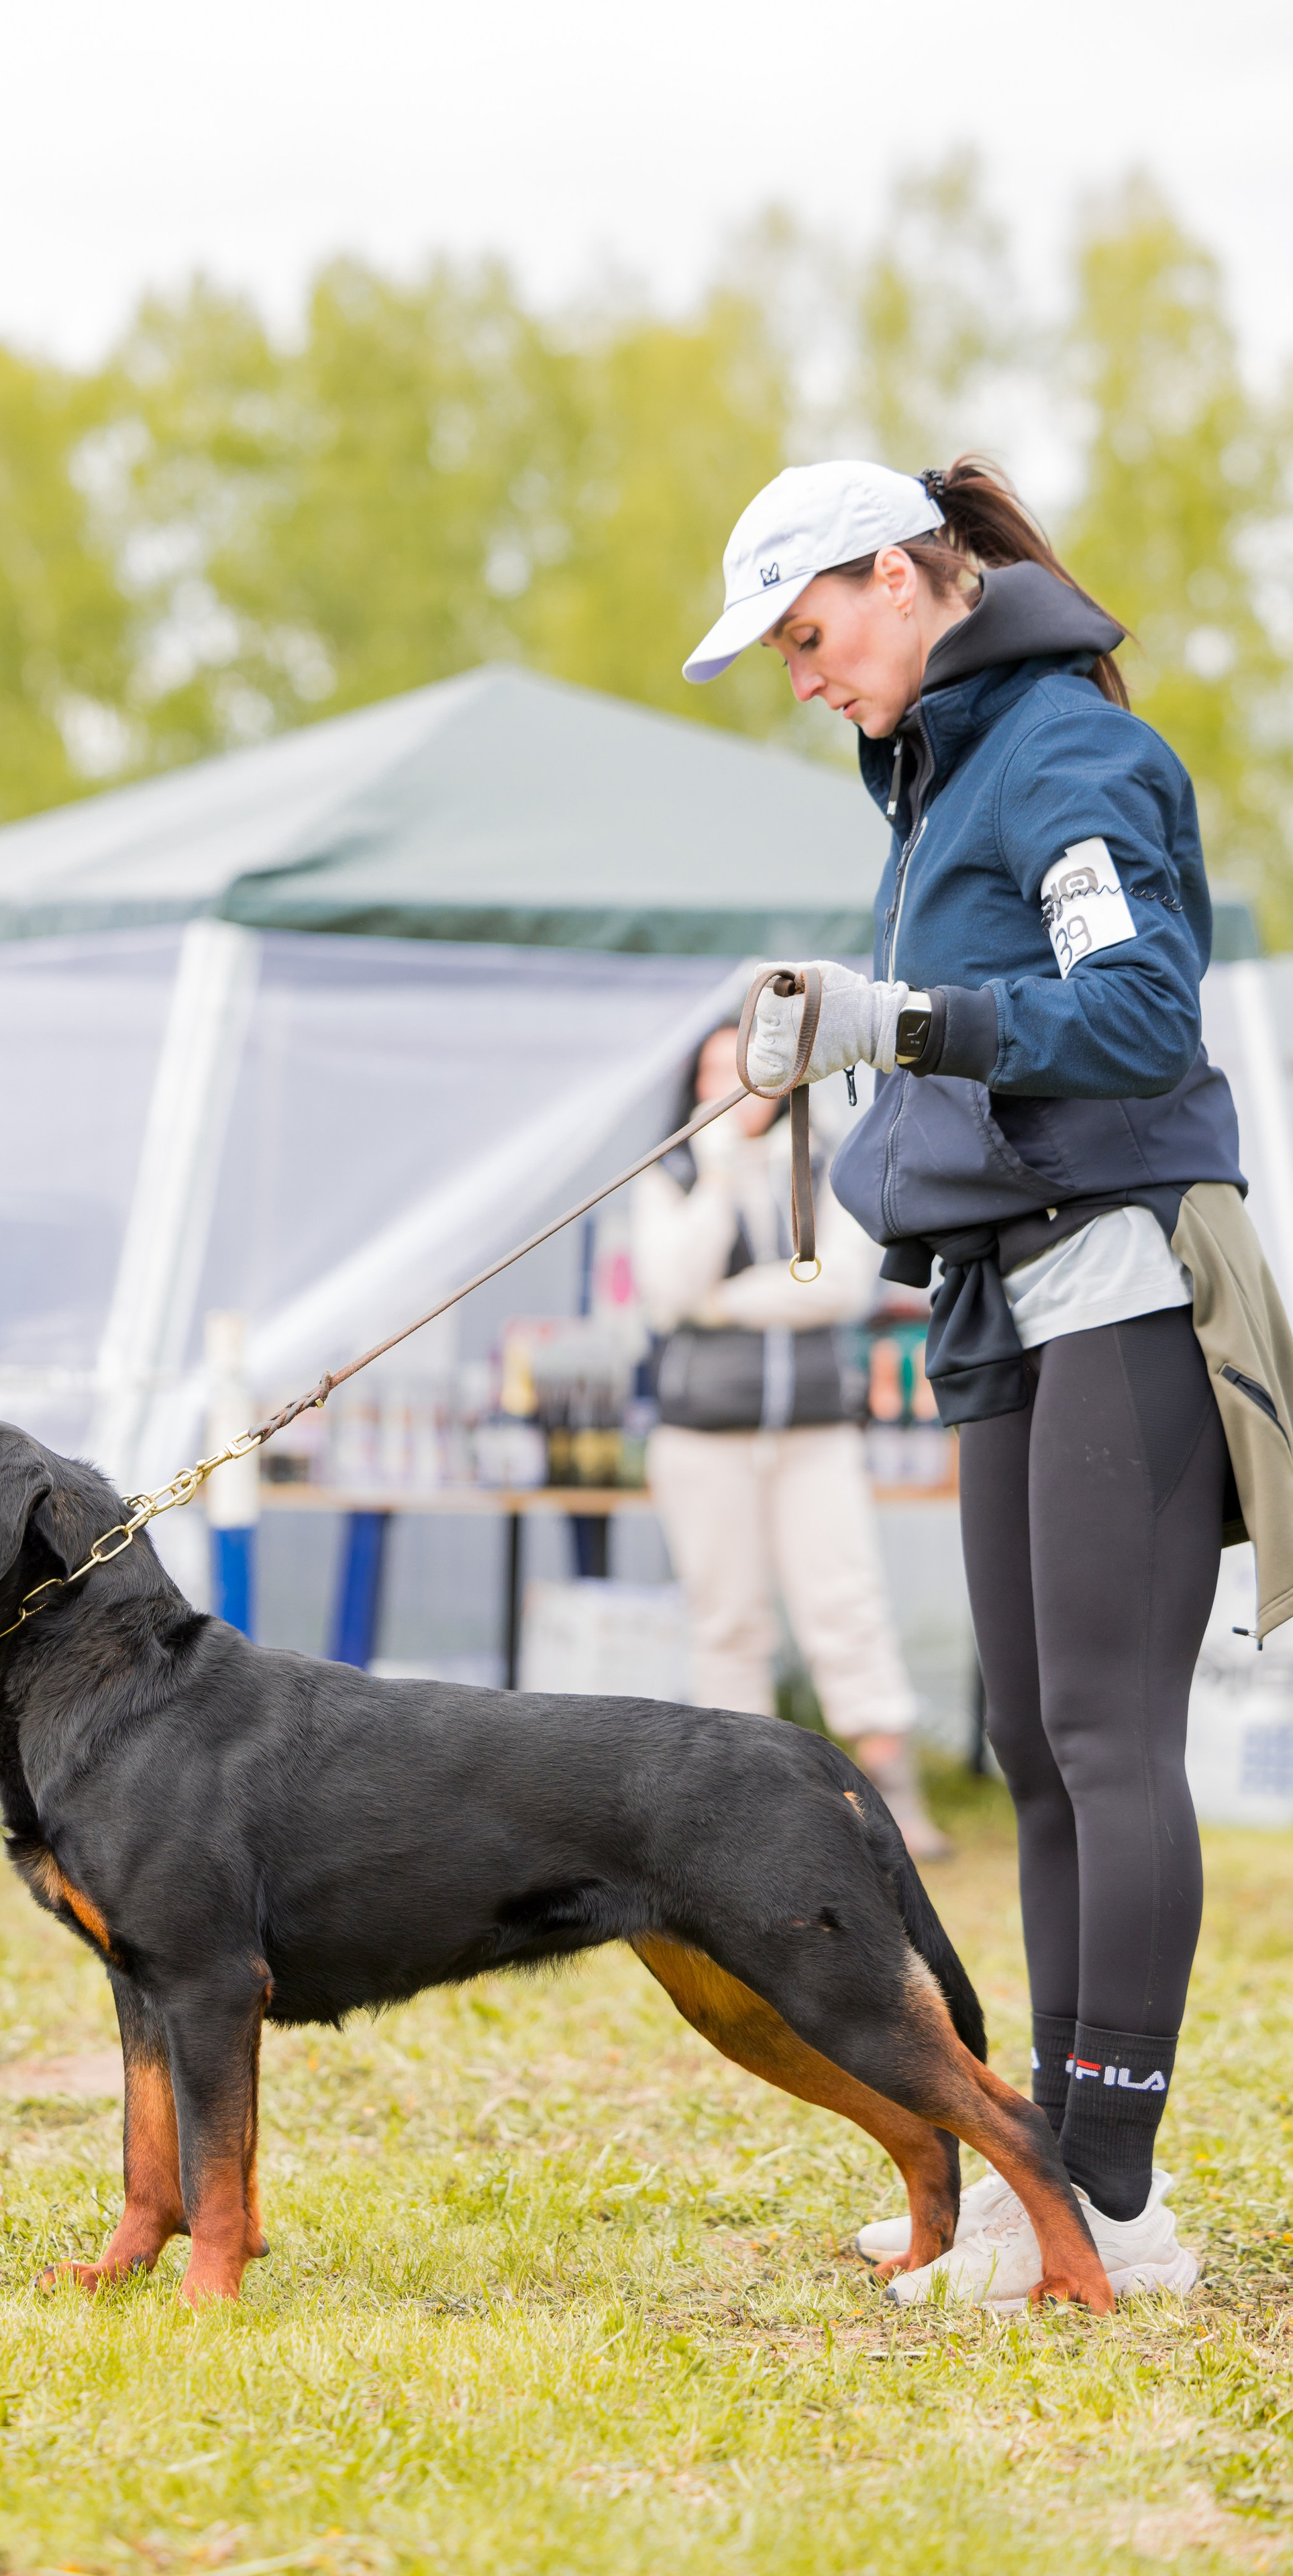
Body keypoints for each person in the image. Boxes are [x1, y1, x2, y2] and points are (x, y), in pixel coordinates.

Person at [681, 453, 1293, 2308]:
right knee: (1023, 1743)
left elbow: (1129, 1014)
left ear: (900, 579)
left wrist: (901, 1022)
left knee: (1109, 1740)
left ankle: (1112, 2195)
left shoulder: (1072, 754)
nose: (802, 676)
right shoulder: (936, 775)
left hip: (1126, 1279)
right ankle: (1055, 2163)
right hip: (1003, 1293)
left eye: (808, 632)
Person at [631, 1011, 950, 1861]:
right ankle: (739, 1814)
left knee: (844, 1606)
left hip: (814, 1432)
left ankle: (892, 1805)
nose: (725, 1087)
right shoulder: (670, 1171)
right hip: (702, 1437)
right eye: (707, 1074)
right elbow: (666, 1290)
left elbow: (840, 1285)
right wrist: (722, 1177)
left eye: (738, 1068)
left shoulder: (824, 1160)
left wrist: (722, 1301)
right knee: (726, 1619)